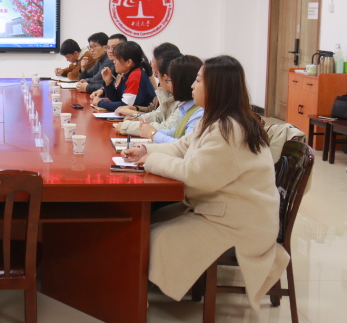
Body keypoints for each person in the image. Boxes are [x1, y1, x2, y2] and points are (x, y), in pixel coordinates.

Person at [122, 55, 289, 311]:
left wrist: (150, 161)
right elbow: (181, 147)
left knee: (152, 236)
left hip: (237, 222)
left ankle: (131, 300)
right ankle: (135, 290)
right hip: (222, 210)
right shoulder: (216, 119)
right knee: (146, 223)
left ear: (216, 87)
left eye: (198, 81)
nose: (192, 85)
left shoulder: (229, 128)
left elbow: (197, 175)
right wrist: (146, 150)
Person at [137, 55, 204, 144]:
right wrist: (150, 130)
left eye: (169, 80)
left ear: (181, 83)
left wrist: (153, 133)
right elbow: (177, 133)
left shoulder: (199, 112)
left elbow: (184, 146)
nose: (193, 86)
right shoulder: (186, 106)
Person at [113, 50, 183, 135]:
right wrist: (137, 118)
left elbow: (167, 128)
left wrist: (129, 126)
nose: (154, 74)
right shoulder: (168, 91)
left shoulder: (182, 98)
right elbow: (157, 115)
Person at [92, 41, 155, 111]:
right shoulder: (127, 74)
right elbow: (116, 98)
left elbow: (125, 105)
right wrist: (108, 82)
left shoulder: (136, 75)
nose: (114, 62)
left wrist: (100, 103)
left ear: (128, 62)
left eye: (116, 59)